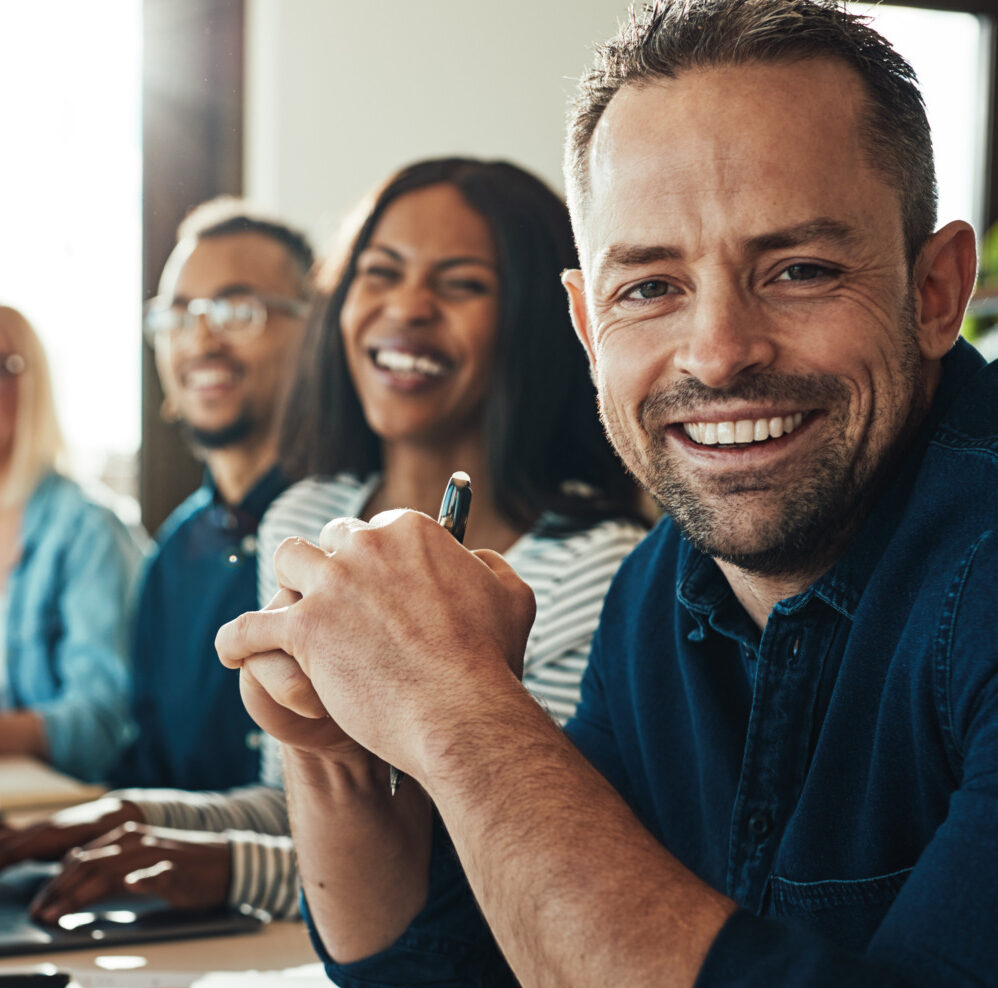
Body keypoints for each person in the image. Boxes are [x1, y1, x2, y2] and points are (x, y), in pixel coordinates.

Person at [217, 0, 998, 988]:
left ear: (934, 289)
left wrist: (463, 713)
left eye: (796, 268)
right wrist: (334, 736)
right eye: (649, 285)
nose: (719, 349)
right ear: (585, 318)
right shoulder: (666, 584)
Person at [15, 158, 648, 922]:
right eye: (380, 274)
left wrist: (232, 871)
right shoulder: (303, 517)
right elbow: (301, 805)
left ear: (541, 322)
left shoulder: (601, 568)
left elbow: (504, 852)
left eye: (460, 283)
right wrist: (127, 818)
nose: (407, 307)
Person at [0, 199, 312, 908]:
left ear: (316, 328)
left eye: (237, 311)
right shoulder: (179, 549)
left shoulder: (342, 527)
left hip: (287, 917)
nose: (199, 339)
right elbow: (151, 760)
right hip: (181, 910)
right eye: (177, 316)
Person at [0, 304, 139, 780]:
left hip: (60, 821)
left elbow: (99, 726)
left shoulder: (88, 530)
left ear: (34, 384)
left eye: (4, 367)